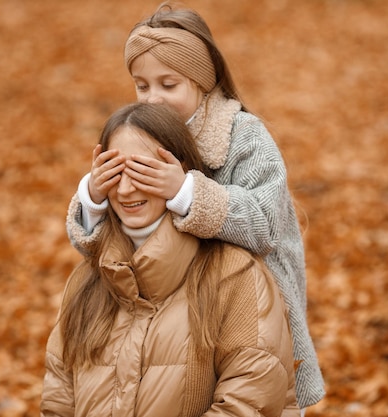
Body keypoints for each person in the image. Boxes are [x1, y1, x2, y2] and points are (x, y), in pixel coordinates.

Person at [65, 2, 325, 411]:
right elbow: (113, 241)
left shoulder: (243, 138)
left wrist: (186, 192)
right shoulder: (144, 133)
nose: (154, 98)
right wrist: (94, 199)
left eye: (169, 85)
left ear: (202, 82)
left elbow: (265, 226)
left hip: (252, 311)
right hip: (176, 318)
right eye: (142, 85)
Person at [41, 102, 299, 417]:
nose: (125, 188)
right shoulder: (87, 281)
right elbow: (56, 404)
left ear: (181, 169)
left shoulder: (234, 275)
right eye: (115, 171)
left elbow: (249, 404)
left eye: (143, 170)